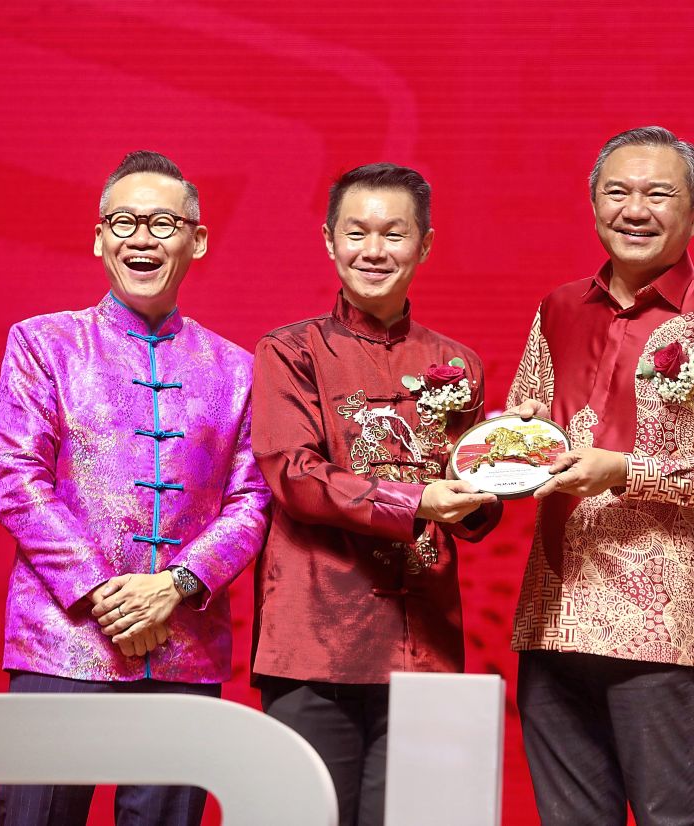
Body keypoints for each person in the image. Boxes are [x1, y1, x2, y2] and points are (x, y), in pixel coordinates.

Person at [0, 150, 270, 826]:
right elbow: (16, 480)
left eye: (163, 223)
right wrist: (110, 599)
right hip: (62, 640)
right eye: (123, 221)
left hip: (185, 647)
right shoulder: (43, 345)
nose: (141, 238)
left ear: (197, 239)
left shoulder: (238, 369)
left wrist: (171, 588)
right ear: (98, 237)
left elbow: (253, 499)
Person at [506, 126, 694, 825]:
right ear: (593, 203)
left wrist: (626, 469)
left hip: (663, 624)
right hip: (552, 614)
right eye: (616, 192)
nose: (634, 209)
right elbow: (516, 441)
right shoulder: (557, 308)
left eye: (658, 193)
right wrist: (516, 439)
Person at [249, 162, 501, 826]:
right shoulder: (288, 352)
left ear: (425, 244)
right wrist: (418, 504)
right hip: (314, 645)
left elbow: (474, 503)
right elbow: (296, 476)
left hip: (426, 649)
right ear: (329, 241)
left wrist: (510, 455)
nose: (373, 250)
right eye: (356, 232)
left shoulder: (459, 363)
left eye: (394, 233)